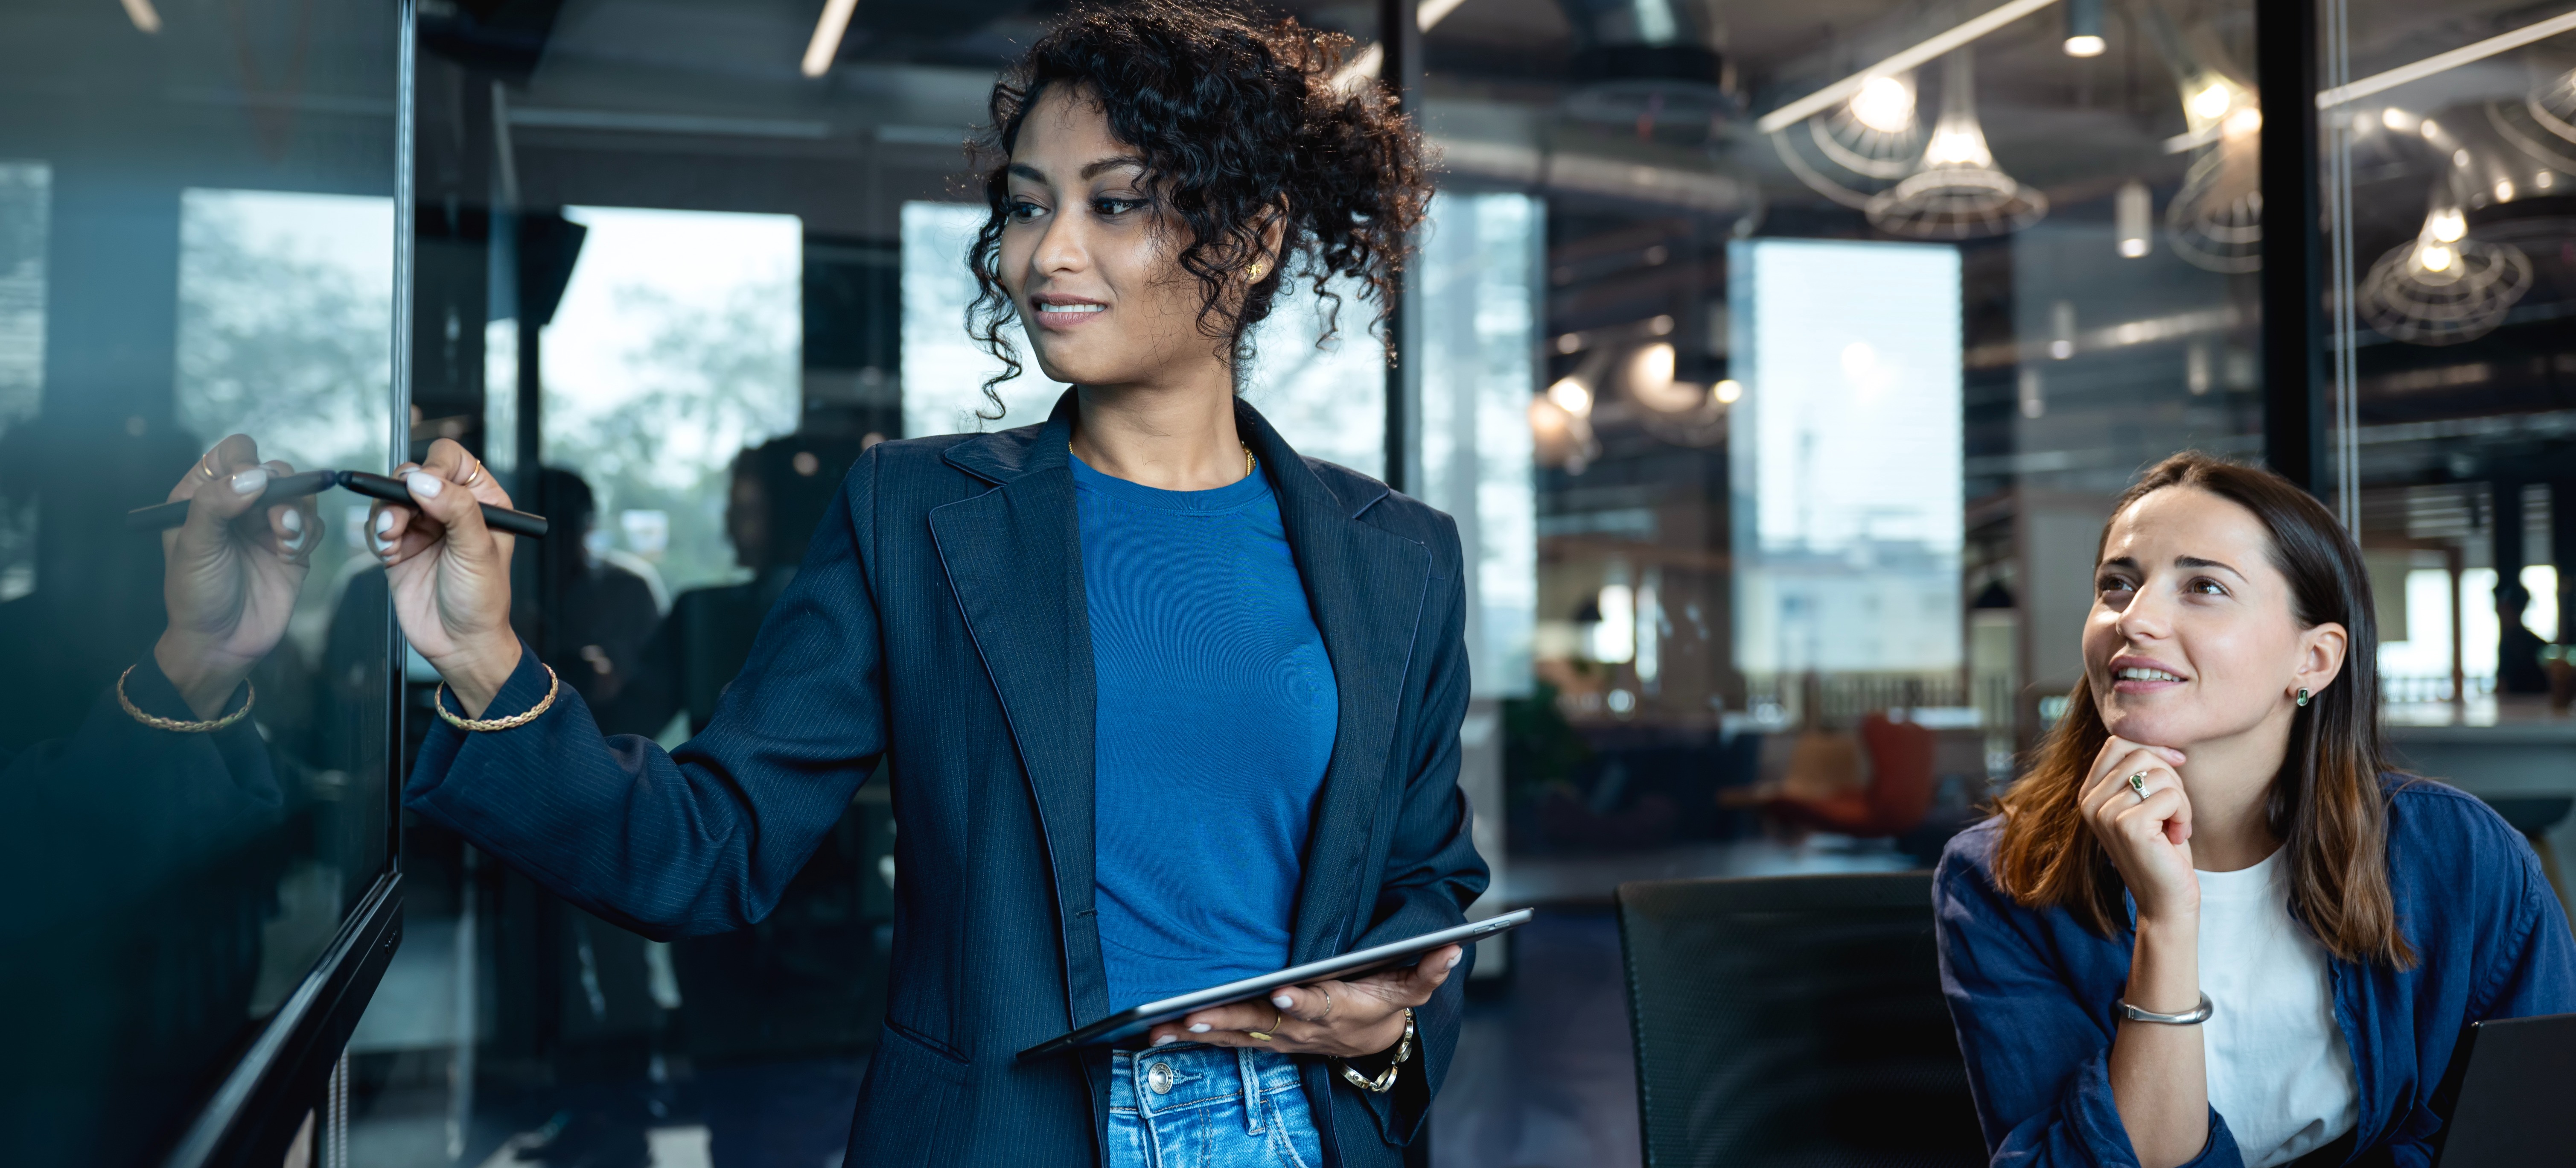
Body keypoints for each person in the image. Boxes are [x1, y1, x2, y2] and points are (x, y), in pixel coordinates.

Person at [366, 4, 1486, 1167]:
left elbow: (1426, 881)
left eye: (1113, 202)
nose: (1046, 252)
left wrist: (1379, 1027)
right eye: (1026, 202)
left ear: (1251, 239)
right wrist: (480, 657)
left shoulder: (1395, 554)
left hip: (1303, 1135)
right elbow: (710, 847)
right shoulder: (914, 518)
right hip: (1012, 1137)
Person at [1934, 452, 2576, 1168]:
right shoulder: (2003, 877)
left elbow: (2531, 1133)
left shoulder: (2458, 855)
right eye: (2117, 585)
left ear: (2315, 661)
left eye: (2203, 586)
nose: (2135, 619)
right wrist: (2168, 921)